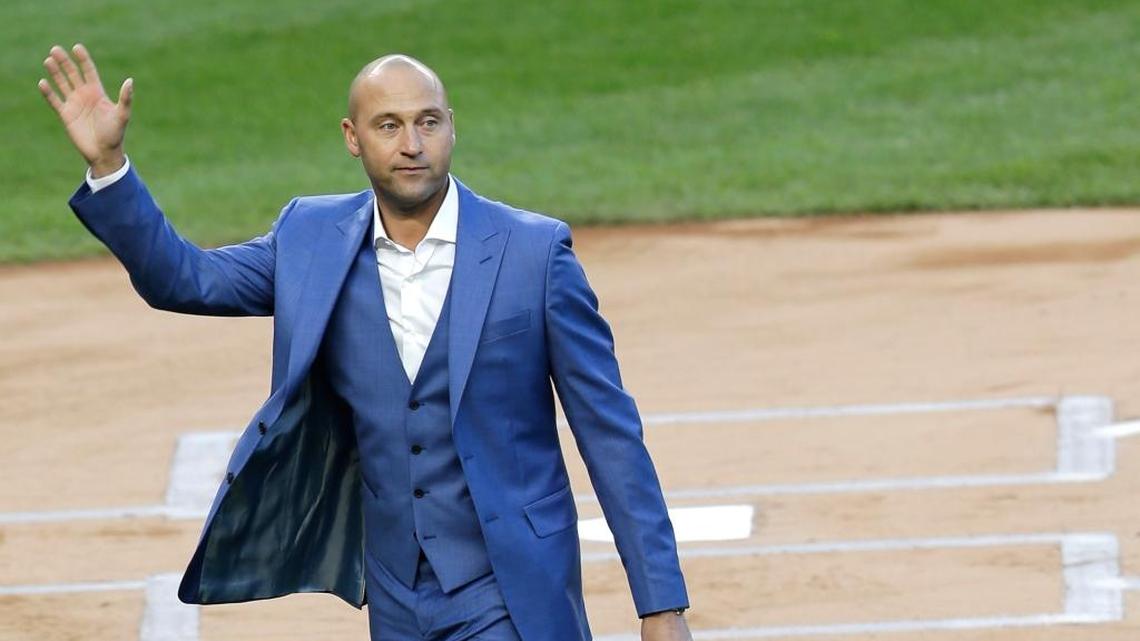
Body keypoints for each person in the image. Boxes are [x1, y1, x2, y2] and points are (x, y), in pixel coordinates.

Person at [38, 43, 692, 641]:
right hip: (395, 596)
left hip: (510, 589)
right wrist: (109, 165)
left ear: (451, 126)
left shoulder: (534, 253)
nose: (413, 143)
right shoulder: (309, 239)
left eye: (428, 121)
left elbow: (610, 433)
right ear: (353, 137)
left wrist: (660, 602)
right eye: (389, 125)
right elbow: (184, 278)